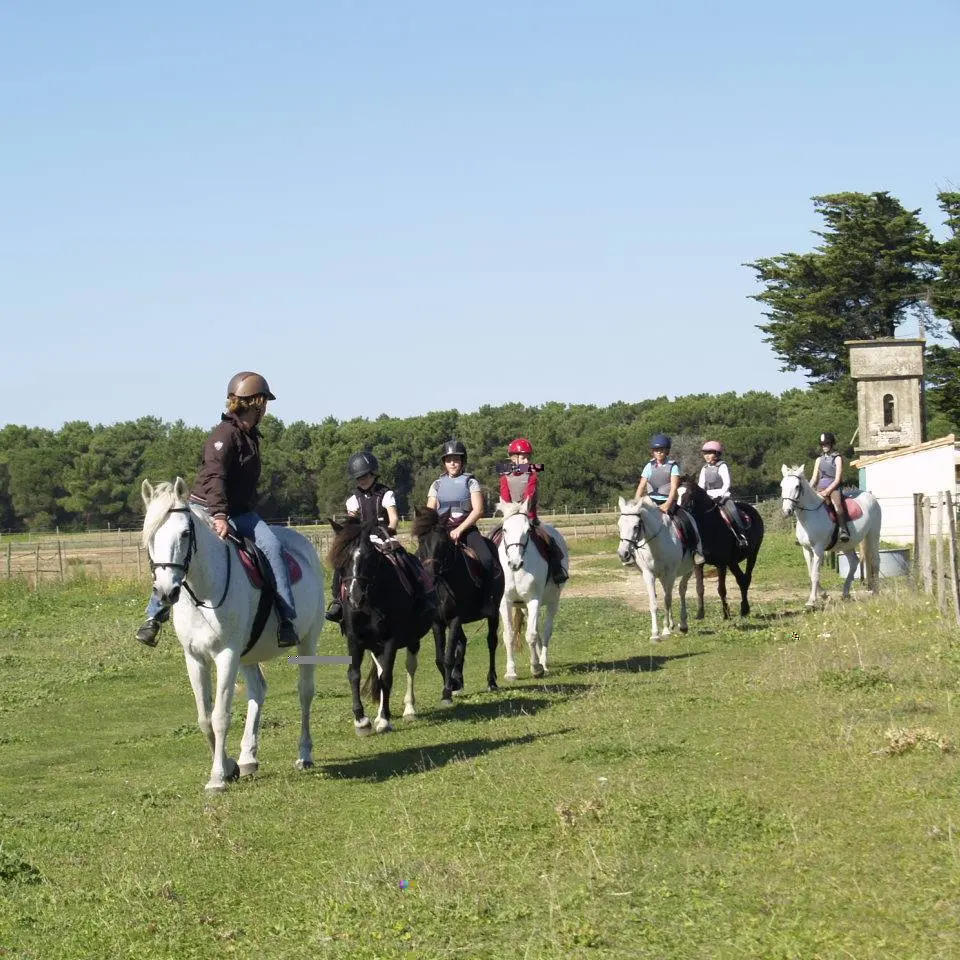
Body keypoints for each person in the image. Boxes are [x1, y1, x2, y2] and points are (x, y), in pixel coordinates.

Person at [135, 371, 300, 648]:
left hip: (240, 511)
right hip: (208, 507)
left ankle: (286, 619)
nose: (266, 408)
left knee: (271, 545)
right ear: (256, 403)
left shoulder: (250, 436)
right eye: (265, 403)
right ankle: (154, 616)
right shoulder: (223, 436)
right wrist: (220, 515)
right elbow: (215, 477)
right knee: (179, 548)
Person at [325, 451, 401, 623]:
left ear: (373, 473)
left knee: (403, 558)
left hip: (384, 536)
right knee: (341, 565)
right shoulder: (352, 500)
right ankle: (338, 601)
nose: (362, 479)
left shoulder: (386, 494)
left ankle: (418, 592)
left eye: (365, 475)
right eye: (358, 477)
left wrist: (389, 530)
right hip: (362, 541)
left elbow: (394, 517)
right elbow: (352, 524)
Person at [426, 440, 498, 615]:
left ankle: (487, 601)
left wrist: (460, 529)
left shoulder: (471, 482)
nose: (452, 463)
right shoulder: (437, 484)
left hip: (467, 530)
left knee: (487, 559)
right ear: (444, 462)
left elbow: (478, 510)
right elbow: (430, 511)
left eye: (456, 459)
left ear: (462, 461)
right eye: (449, 459)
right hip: (444, 531)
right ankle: (426, 602)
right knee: (423, 561)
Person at [496, 437, 568, 583]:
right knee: (491, 538)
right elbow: (505, 499)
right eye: (522, 458)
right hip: (510, 518)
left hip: (529, 518)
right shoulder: (504, 477)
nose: (526, 461)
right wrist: (512, 514)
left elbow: (530, 496)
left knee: (550, 540)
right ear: (513, 458)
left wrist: (524, 514)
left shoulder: (532, 476)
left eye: (528, 458)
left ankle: (557, 570)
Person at [633, 433, 704, 563]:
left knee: (685, 519)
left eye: (662, 450)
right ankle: (633, 552)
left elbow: (673, 487)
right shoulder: (649, 466)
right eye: (656, 450)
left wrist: (667, 504)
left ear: (667, 451)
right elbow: (641, 485)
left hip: (668, 500)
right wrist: (636, 502)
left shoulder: (673, 466)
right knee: (634, 522)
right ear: (652, 452)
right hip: (650, 500)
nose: (659, 453)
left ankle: (695, 550)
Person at [698, 440, 749, 548]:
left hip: (722, 497)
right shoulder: (704, 468)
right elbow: (701, 485)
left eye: (709, 453)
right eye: (705, 453)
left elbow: (727, 483)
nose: (707, 456)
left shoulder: (722, 466)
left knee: (731, 512)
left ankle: (740, 535)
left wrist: (720, 495)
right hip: (708, 497)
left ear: (717, 454)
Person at [811, 431, 850, 541]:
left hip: (834, 487)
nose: (824, 447)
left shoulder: (837, 458)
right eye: (823, 445)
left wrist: (828, 491)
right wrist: (808, 489)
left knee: (836, 504)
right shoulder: (819, 459)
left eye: (827, 444)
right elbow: (814, 478)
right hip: (820, 486)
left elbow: (838, 479)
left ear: (831, 444)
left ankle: (843, 529)